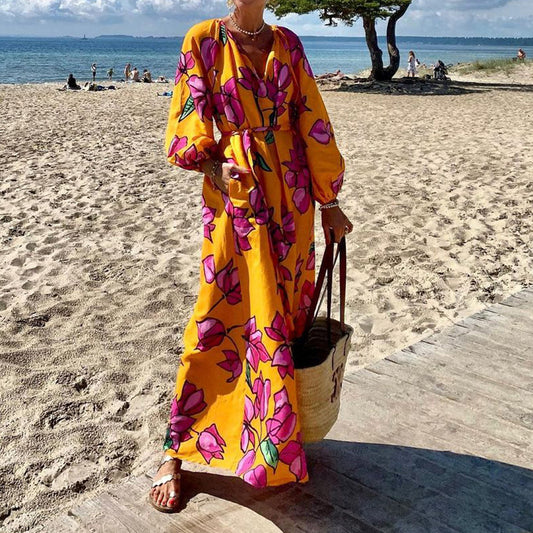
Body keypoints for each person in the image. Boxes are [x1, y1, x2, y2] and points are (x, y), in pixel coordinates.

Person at [148, 0, 353, 513]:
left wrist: (329, 201)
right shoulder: (204, 39)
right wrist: (213, 166)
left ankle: (272, 444)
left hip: (293, 199)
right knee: (218, 317)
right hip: (236, 194)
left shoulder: (288, 43)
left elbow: (313, 120)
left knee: (282, 318)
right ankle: (176, 451)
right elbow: (189, 119)